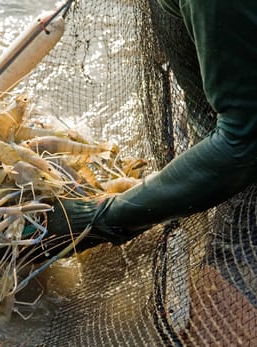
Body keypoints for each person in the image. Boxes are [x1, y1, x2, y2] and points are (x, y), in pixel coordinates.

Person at [43, 0, 257, 256]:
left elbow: (244, 141)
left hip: (243, 159)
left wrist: (99, 218)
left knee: (215, 284)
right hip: (230, 114)